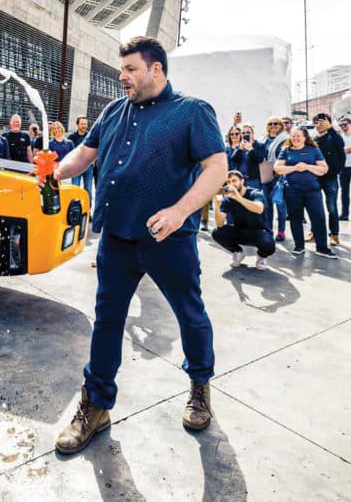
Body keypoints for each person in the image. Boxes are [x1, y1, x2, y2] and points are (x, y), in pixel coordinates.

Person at [48, 36, 226, 454]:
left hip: (170, 240)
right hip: (117, 238)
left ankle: (200, 384)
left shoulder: (192, 112)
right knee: (107, 321)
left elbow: (217, 168)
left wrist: (181, 211)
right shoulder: (112, 111)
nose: (122, 77)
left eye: (130, 69)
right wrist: (55, 171)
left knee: (190, 315)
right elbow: (83, 155)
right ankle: (96, 405)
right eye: (122, 69)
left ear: (157, 70)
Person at [275, 126, 337, 259]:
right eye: (293, 136)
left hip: (312, 190)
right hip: (292, 190)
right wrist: (294, 168)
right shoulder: (286, 150)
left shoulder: (313, 149)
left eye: (298, 136)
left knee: (319, 218)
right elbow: (278, 168)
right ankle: (299, 246)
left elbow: (324, 169)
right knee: (295, 219)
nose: (295, 138)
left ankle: (322, 248)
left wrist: (307, 166)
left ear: (305, 137)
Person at [212, 170, 274, 270]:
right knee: (217, 232)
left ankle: (261, 257)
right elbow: (220, 224)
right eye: (228, 182)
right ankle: (237, 252)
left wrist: (238, 198)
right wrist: (217, 206)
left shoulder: (255, 192)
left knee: (268, 244)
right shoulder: (228, 198)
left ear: (242, 181)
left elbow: (259, 209)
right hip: (239, 231)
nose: (231, 184)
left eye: (234, 180)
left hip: (258, 232)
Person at [311, 113, 345, 246]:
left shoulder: (334, 137)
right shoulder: (313, 139)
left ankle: (334, 234)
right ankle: (314, 232)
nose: (319, 124)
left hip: (330, 179)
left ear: (329, 123)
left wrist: (331, 129)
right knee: (314, 207)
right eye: (316, 122)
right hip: (315, 178)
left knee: (332, 208)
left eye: (322, 122)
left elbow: (342, 156)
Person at [260, 116, 289, 241]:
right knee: (267, 205)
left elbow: (288, 156)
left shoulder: (285, 139)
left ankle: (281, 231)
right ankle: (269, 229)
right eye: (270, 123)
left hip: (279, 173)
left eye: (276, 123)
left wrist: (279, 169)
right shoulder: (263, 139)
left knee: (280, 205)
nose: (273, 126)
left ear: (280, 125)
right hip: (266, 171)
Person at [68, 116, 95, 196]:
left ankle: (87, 208)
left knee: (88, 189)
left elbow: (96, 148)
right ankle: (75, 207)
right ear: (77, 125)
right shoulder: (71, 137)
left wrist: (94, 160)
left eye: (85, 124)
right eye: (82, 124)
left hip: (88, 166)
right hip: (75, 166)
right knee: (75, 188)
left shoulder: (91, 136)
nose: (84, 126)